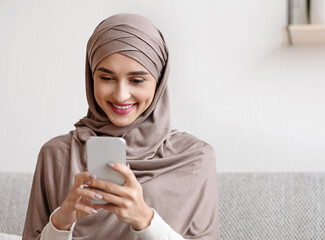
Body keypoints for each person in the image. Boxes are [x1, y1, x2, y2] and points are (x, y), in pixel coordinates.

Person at [22, 13, 220, 240]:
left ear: (159, 81)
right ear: (91, 76)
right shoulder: (56, 155)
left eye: (137, 80)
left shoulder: (195, 158)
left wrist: (145, 219)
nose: (121, 95)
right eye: (106, 78)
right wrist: (61, 221)